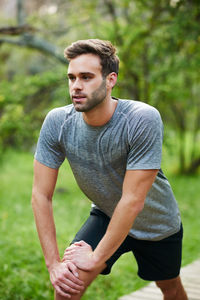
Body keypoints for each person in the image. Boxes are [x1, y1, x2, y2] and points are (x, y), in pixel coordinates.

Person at [31, 39, 188, 300]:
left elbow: (133, 200)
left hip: (157, 224)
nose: (76, 86)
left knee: (169, 287)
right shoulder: (58, 122)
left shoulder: (141, 118)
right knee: (68, 285)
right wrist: (54, 264)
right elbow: (40, 195)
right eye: (71, 78)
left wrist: (96, 258)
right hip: (106, 213)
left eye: (86, 77)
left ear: (110, 79)